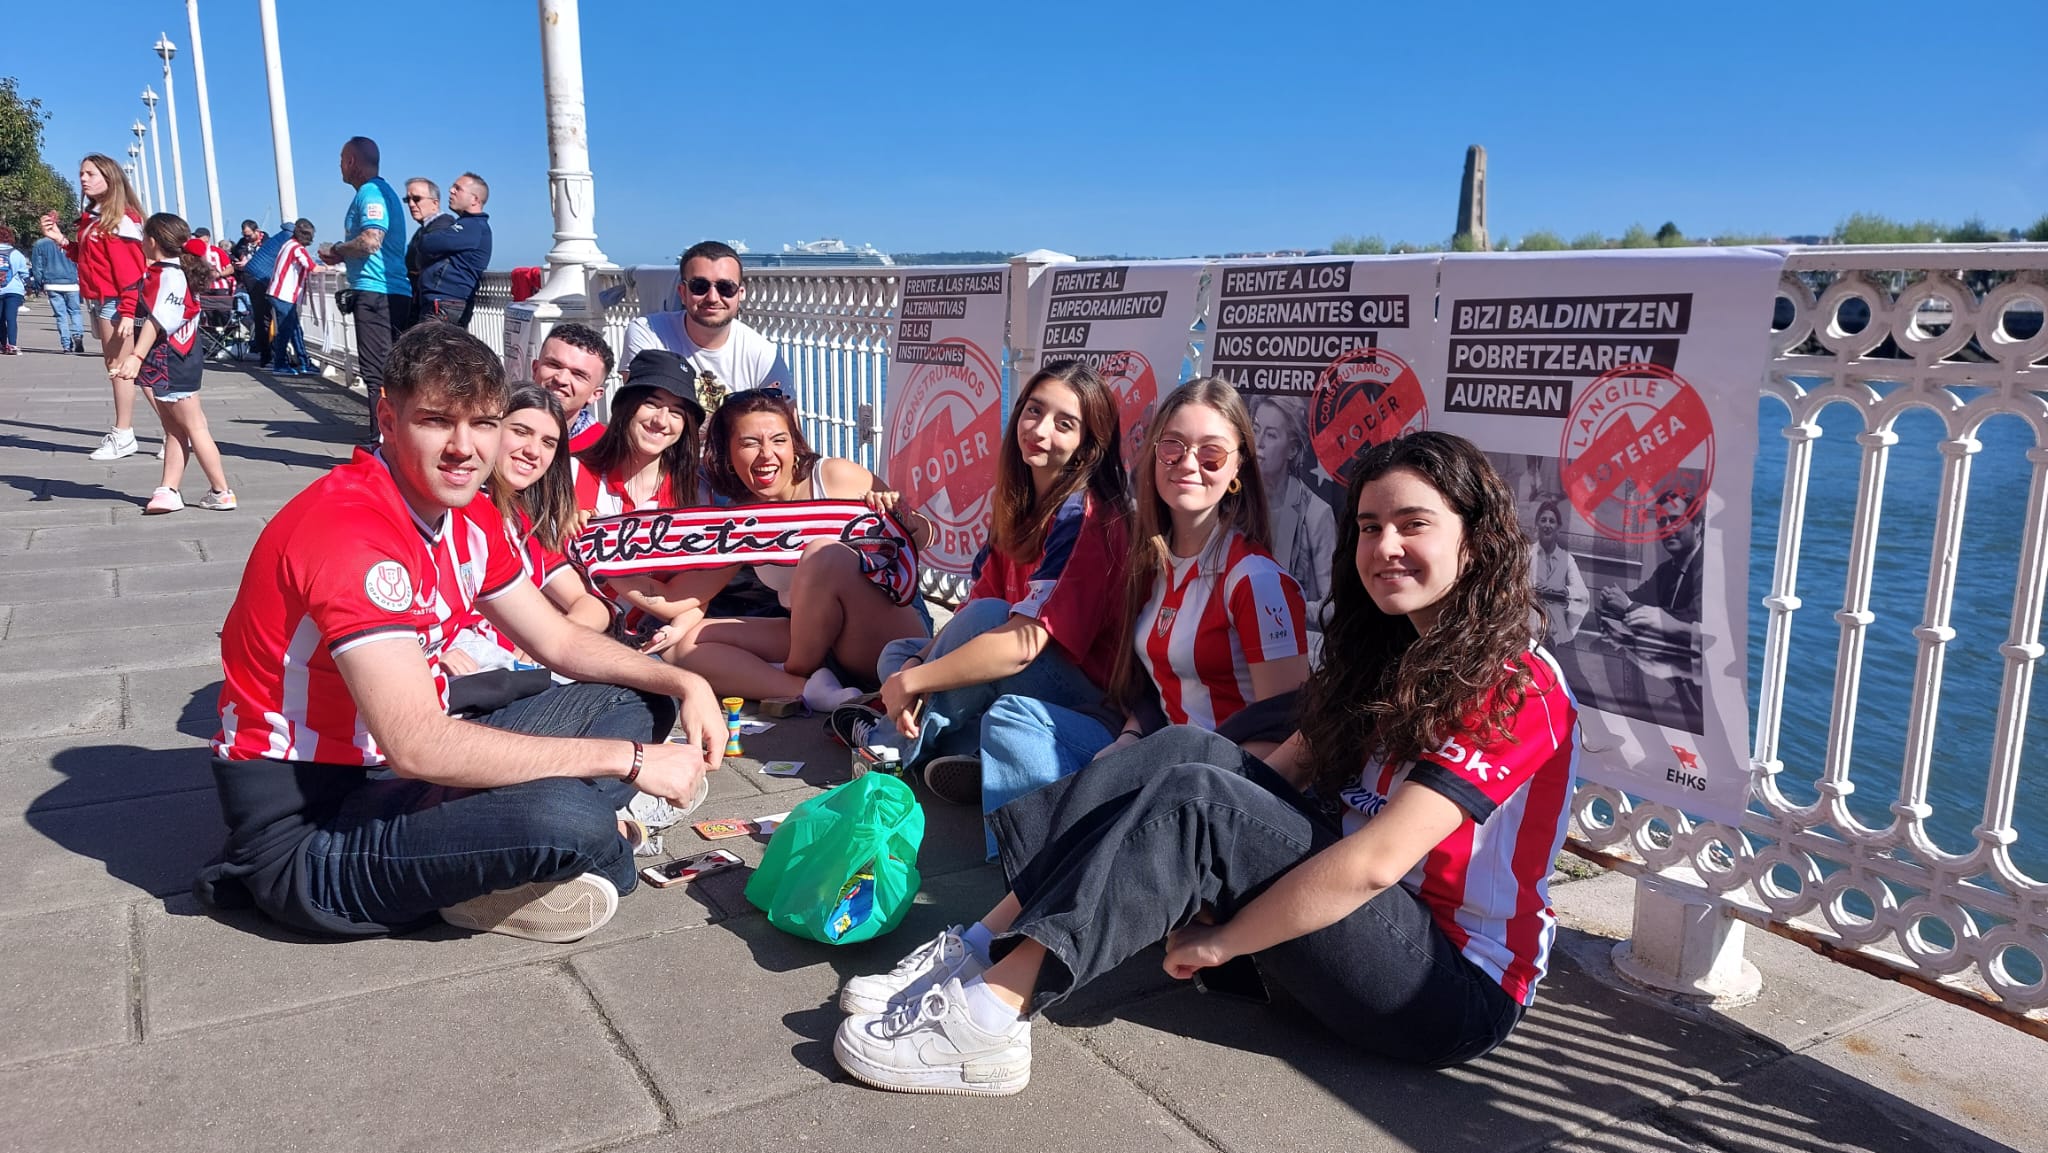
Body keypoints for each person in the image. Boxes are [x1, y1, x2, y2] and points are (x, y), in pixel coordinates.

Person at [831, 431, 1579, 1096]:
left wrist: (1226, 938)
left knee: (1200, 795)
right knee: (1187, 748)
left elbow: (1378, 861)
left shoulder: (1517, 683)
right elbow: (1277, 772)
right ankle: (981, 944)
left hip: (1445, 989)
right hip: (1356, 933)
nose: (1385, 547)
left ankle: (992, 1017)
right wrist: (1171, 796)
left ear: (1474, 542)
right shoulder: (1387, 654)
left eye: (1414, 525)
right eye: (1370, 526)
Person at [197, 322, 727, 943]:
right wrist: (631, 762)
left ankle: (509, 858)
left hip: (402, 779)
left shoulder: (468, 512)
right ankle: (588, 842)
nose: (463, 447)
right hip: (310, 827)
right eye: (436, 421)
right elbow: (417, 745)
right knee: (570, 815)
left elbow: (558, 640)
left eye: (482, 423)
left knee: (637, 692)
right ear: (387, 418)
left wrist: (688, 682)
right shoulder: (351, 532)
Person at [971, 378, 1309, 856]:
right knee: (1011, 718)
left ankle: (1046, 876)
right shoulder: (1153, 565)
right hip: (1151, 756)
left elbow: (1287, 728)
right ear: (1152, 457)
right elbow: (1157, 691)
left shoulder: (1253, 579)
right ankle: (1021, 868)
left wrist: (1184, 786)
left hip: (1211, 791)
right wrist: (1129, 741)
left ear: (1238, 468)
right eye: (1172, 447)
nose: (1188, 464)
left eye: (1211, 453)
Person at [829, 360, 1131, 802]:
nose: (1040, 430)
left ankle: (887, 746)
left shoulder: (1083, 516)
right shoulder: (1019, 502)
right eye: (1033, 411)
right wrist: (917, 668)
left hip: (1085, 701)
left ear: (1088, 446)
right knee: (902, 652)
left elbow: (1023, 641)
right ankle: (966, 748)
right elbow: (975, 607)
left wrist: (916, 683)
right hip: (1022, 670)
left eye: (1064, 424)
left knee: (981, 626)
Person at [623, 388, 932, 710]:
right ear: (727, 454)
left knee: (822, 555)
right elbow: (682, 596)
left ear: (794, 445)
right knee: (682, 646)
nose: (767, 454)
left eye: (778, 440)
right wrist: (604, 567)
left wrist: (905, 519)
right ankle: (813, 690)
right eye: (749, 443)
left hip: (886, 636)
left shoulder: (831, 477)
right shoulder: (744, 517)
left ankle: (795, 671)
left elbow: (923, 536)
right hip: (816, 640)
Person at [114, 213, 236, 515]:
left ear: (152, 241)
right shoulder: (176, 271)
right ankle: (168, 489)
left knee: (194, 427)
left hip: (171, 359)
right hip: (177, 358)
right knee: (174, 429)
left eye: (144, 236)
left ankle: (221, 490)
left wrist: (135, 356)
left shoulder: (168, 275)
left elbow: (159, 321)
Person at [40, 154, 148, 459]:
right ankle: (174, 432)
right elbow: (91, 261)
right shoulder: (98, 218)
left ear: (109, 178)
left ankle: (124, 434)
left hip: (115, 301)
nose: (84, 179)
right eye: (82, 174)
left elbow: (129, 269)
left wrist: (127, 310)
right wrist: (61, 239)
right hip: (105, 299)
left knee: (120, 369)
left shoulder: (120, 220)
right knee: (130, 369)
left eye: (90, 173)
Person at [319, 136, 413, 421]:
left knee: (378, 374)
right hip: (392, 291)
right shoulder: (382, 192)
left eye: (341, 161)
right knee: (392, 373)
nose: (340, 168)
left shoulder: (370, 193)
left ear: (351, 162)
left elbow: (371, 240)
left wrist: (337, 250)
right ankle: (394, 442)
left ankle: (381, 446)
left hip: (376, 292)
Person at [622, 240, 792, 397]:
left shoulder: (763, 354)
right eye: (699, 287)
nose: (712, 297)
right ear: (682, 293)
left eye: (726, 287)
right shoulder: (648, 331)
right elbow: (640, 408)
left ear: (740, 294)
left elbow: (786, 420)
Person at [572, 349, 706, 518]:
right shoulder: (574, 474)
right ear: (626, 406)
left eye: (676, 412)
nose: (661, 421)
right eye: (651, 404)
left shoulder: (699, 492)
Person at [1250, 394, 1336, 627]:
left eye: (1270, 435)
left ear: (1292, 449)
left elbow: (1334, 609)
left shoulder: (1317, 514)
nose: (1258, 443)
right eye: (1255, 429)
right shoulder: (1235, 504)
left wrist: (1283, 605)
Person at [414, 172, 492, 326]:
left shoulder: (472, 227)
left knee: (434, 349)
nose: (451, 191)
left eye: (458, 188)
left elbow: (428, 243)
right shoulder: (468, 226)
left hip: (445, 303)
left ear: (475, 199)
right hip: (443, 303)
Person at [533, 322, 614, 453]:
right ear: (535, 369)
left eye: (578, 374)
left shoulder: (605, 450)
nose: (561, 379)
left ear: (595, 394)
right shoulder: (501, 427)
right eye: (554, 365)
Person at [1530, 500, 1588, 647]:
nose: (1547, 525)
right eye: (1543, 520)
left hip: (1557, 635)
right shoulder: (1526, 554)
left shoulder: (1567, 559)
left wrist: (1563, 590)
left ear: (1558, 528)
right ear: (1537, 524)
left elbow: (1583, 596)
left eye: (1552, 521)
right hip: (1529, 630)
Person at [267, 219, 318, 375]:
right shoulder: (297, 248)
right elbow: (312, 267)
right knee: (286, 330)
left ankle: (304, 361)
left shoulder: (287, 245)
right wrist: (330, 266)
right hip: (284, 294)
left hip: (278, 292)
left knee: (294, 329)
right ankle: (280, 364)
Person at [28, 232, 84, 354]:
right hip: (71, 282)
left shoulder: (40, 244)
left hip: (52, 282)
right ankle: (78, 335)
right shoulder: (67, 242)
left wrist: (39, 283)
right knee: (75, 311)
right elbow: (79, 261)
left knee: (61, 315)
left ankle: (66, 345)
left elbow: (37, 266)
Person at [403, 177, 454, 303]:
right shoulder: (423, 229)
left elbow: (424, 258)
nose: (411, 204)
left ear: (435, 203)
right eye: (407, 200)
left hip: (435, 300)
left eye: (416, 199)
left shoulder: (443, 225)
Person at [230, 219, 271, 365]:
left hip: (266, 283)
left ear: (257, 231)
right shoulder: (242, 244)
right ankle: (264, 351)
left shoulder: (267, 242)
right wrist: (237, 262)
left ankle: (273, 349)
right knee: (258, 318)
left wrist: (250, 262)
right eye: (244, 235)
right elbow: (234, 253)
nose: (247, 238)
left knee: (270, 317)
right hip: (250, 285)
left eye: (249, 235)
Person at [0, 227, 25, 355]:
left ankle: (3, 345)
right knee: (11, 318)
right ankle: (13, 345)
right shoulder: (16, 254)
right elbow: (24, 273)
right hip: (14, 290)